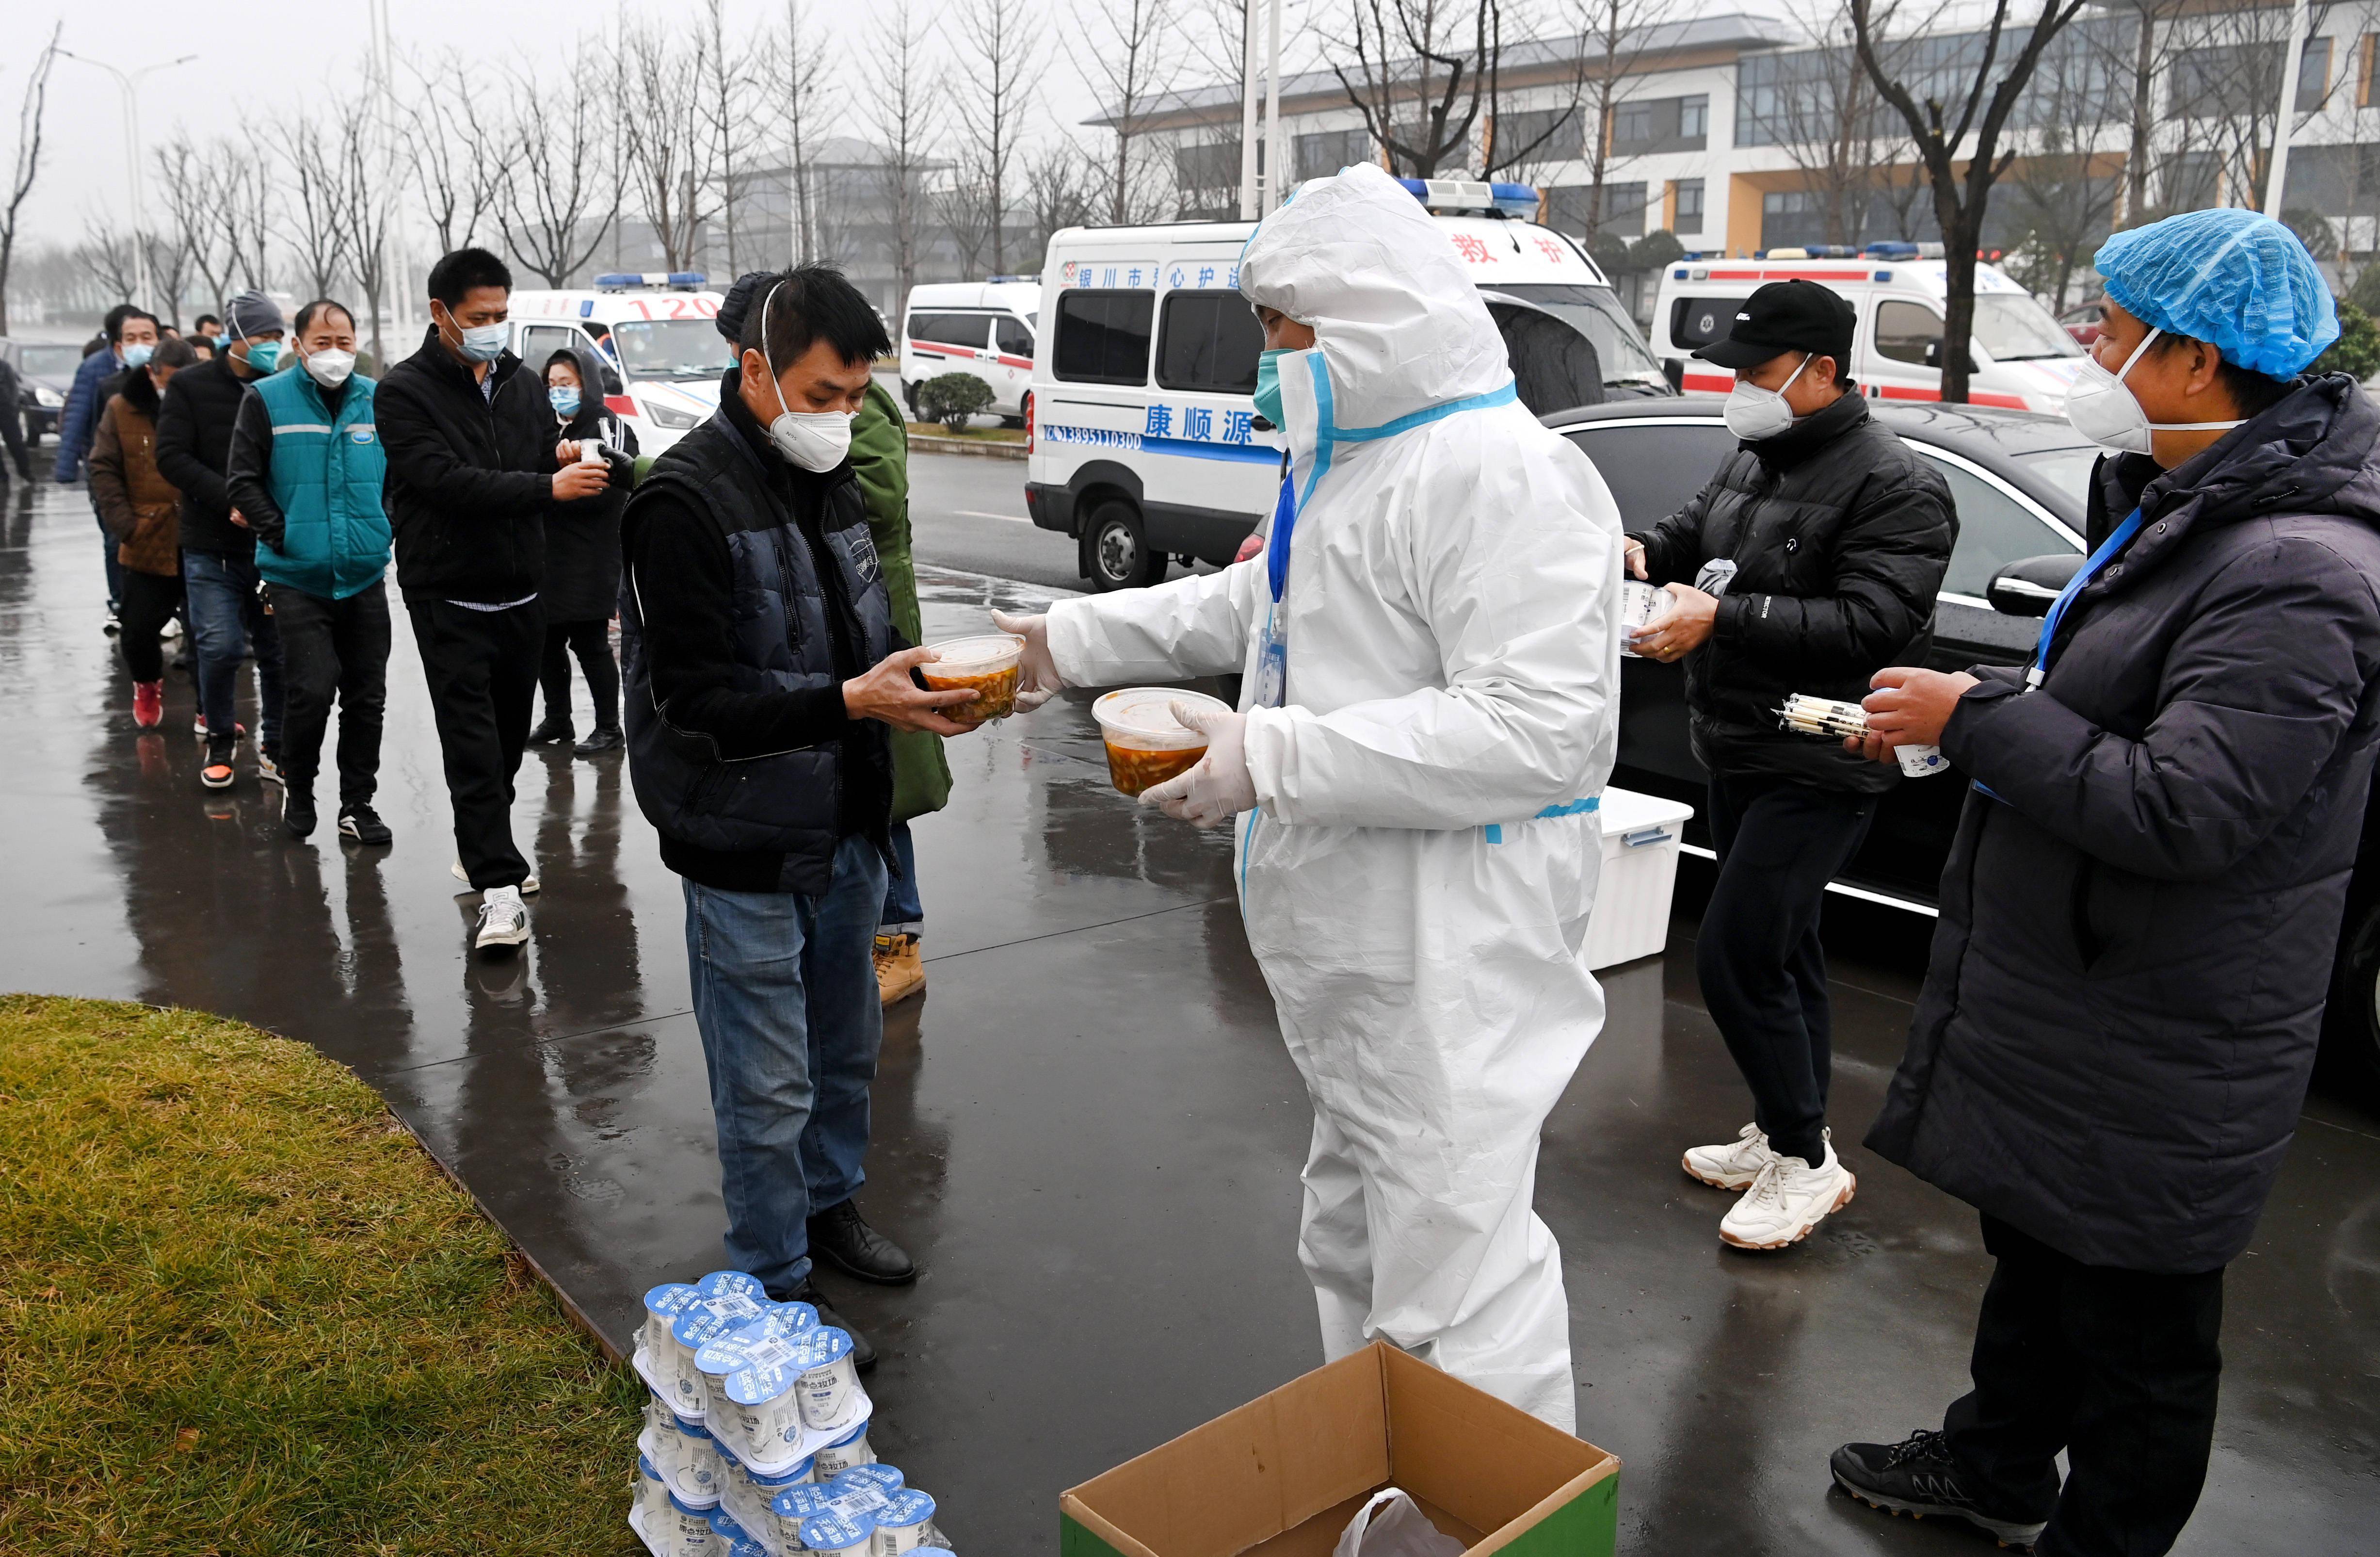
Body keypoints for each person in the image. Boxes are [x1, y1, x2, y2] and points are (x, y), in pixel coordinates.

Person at [992, 164, 1622, 1430]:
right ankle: (1376, 1452)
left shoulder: (1500, 476)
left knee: (1458, 1273)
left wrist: (1265, 756)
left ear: (1370, 323)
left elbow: (1540, 732)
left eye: (1284, 331)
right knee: (1352, 1231)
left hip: (1453, 937)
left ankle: (1481, 1506)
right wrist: (1058, 641)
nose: (1266, 359)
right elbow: (1249, 608)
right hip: (1355, 939)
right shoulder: (1343, 470)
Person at [1827, 211, 2380, 1555]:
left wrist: (1973, 719)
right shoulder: (2205, 504)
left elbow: (2189, 807)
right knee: (2035, 1264)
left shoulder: (2297, 566)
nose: (2090, 349)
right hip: (2087, 998)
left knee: (2139, 1341)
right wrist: (1998, 708)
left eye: (2114, 329)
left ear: (2195, 361)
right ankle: (1996, 1463)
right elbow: (2131, 710)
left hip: (2167, 1026)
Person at [620, 265, 975, 1364]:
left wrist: (908, 689)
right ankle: (773, 1287)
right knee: (765, 1081)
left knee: (845, 1050)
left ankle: (831, 1211)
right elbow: (696, 698)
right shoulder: (680, 502)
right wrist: (850, 700)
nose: (840, 420)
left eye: (857, 398)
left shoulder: (833, 479)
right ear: (756, 370)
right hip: (743, 838)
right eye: (822, 395)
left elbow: (856, 635)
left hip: (848, 826)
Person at [1624, 278, 1955, 1251]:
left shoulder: (1896, 482)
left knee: (1736, 953)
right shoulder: (1756, 456)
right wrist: (1632, 555)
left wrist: (1721, 616)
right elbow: (1686, 541)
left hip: (1822, 748)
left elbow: (1874, 622)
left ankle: (1808, 1162)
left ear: (1823, 371)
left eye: (1760, 374)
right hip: (1738, 739)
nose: (1743, 392)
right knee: (1788, 943)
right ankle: (1781, 1128)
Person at [378, 247, 610, 951]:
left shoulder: (518, 382)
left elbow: (535, 453)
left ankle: (481, 839)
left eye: (502, 316)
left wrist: (561, 460)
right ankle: (500, 891)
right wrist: (547, 489)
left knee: (508, 740)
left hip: (523, 592)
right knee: (473, 744)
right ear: (440, 313)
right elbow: (445, 481)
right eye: (480, 317)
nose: (493, 329)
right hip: (448, 595)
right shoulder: (403, 392)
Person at [225, 299, 394, 846]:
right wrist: (283, 533)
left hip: (365, 574)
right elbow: (242, 481)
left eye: (344, 342)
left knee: (367, 696)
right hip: (296, 579)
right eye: (322, 342)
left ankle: (358, 803)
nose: (335, 353)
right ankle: (300, 790)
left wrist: (384, 527)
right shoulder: (267, 400)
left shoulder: (378, 401)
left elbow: (402, 478)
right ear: (299, 346)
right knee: (312, 690)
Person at [156, 291, 287, 791]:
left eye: (277, 337)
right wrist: (230, 498)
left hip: (272, 543)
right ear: (235, 336)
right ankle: (220, 740)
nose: (271, 346)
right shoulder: (191, 387)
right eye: (263, 337)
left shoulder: (282, 387)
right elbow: (171, 456)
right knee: (219, 645)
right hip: (211, 542)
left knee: (277, 652)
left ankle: (275, 746)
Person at [850, 373, 949, 1005]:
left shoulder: (857, 398)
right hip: (839, 617)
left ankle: (899, 943)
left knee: (882, 790)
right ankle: (870, 937)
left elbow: (881, 496)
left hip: (875, 617)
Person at [527, 343, 637, 757]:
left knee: (590, 643)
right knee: (546, 642)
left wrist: (562, 476)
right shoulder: (544, 428)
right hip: (547, 557)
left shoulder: (608, 426)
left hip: (591, 556)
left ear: (586, 384)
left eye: (567, 383)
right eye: (552, 384)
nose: (558, 391)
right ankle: (558, 718)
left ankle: (609, 727)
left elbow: (610, 489)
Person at [90, 337, 198, 726]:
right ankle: (147, 685)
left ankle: (210, 709)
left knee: (207, 633)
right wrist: (125, 525)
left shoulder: (204, 403)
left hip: (199, 535)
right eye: (170, 380)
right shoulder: (121, 408)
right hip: (146, 537)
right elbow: (103, 467)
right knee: (137, 631)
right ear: (153, 374)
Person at [57, 304, 162, 629]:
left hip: (161, 492)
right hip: (119, 486)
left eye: (147, 337)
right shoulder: (105, 382)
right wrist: (69, 467)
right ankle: (121, 604)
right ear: (118, 344)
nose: (139, 344)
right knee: (115, 543)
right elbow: (83, 424)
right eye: (131, 338)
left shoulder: (179, 381)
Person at [0, 349, 32, 482]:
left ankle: (25, 472)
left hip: (6, 410)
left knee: (15, 443)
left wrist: (14, 408)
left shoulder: (4, 367)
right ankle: (2, 477)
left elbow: (14, 388)